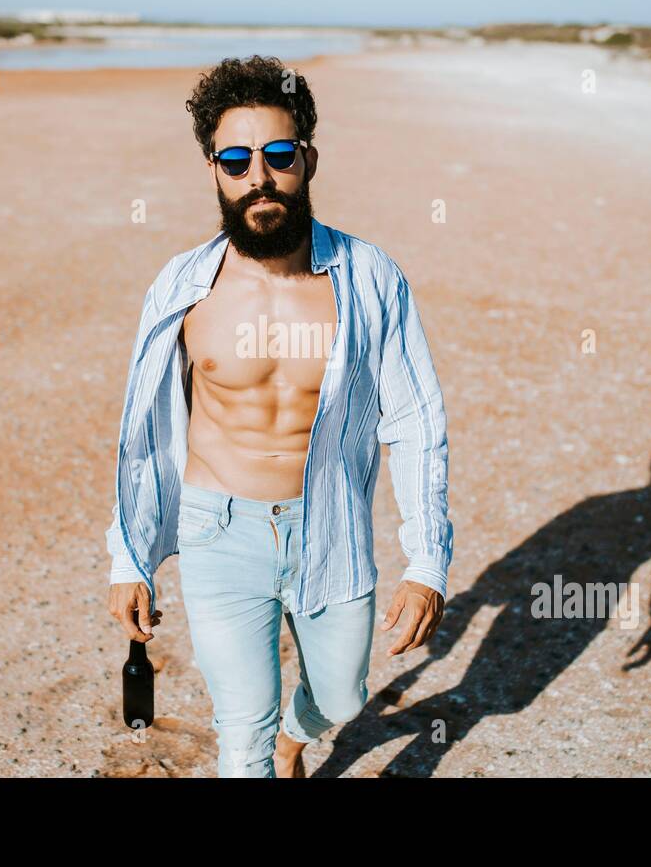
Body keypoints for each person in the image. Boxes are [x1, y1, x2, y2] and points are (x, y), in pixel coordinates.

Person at [105, 55, 453, 777]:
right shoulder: (181, 287)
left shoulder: (369, 278)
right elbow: (140, 433)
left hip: (328, 524)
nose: (258, 176)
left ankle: (302, 737)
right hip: (216, 530)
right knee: (243, 733)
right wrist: (128, 556)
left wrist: (427, 564)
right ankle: (271, 747)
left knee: (342, 696)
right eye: (236, 159)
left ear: (309, 160)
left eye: (279, 155)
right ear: (214, 171)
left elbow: (414, 421)